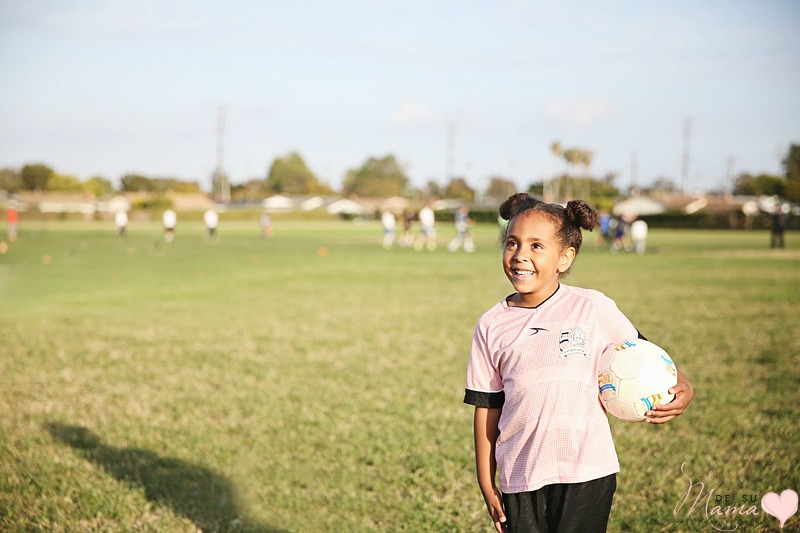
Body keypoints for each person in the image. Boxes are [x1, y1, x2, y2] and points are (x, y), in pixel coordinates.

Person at [464, 193, 694, 533]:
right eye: (512, 243)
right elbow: (487, 407)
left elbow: (646, 355)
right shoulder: (491, 325)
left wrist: (684, 387)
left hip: (588, 471)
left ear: (565, 257)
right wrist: (486, 481)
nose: (520, 255)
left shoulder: (593, 307)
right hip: (520, 473)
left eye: (536, 246)